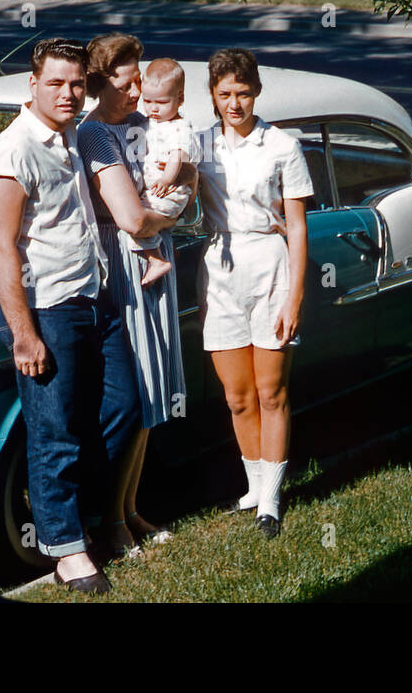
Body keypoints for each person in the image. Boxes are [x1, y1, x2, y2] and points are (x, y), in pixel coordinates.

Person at [0, 37, 140, 594]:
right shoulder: (13, 151)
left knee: (124, 407)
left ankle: (89, 518)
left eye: (77, 84)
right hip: (44, 310)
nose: (69, 93)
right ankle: (66, 551)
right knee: (55, 434)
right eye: (56, 83)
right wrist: (23, 333)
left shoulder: (75, 137)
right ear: (33, 85)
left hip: (94, 299)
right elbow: (3, 248)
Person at [77, 33, 191, 557]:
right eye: (126, 83)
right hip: (126, 263)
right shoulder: (96, 134)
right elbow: (128, 217)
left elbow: (187, 167)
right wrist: (171, 214)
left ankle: (129, 508)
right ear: (102, 84)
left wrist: (183, 183)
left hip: (154, 257)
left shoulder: (145, 124)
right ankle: (109, 519)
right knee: (136, 390)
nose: (137, 91)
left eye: (139, 78)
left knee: (152, 390)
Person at [197, 48, 312, 538]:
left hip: (270, 267)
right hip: (220, 271)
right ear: (213, 96)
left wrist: (296, 297)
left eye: (243, 92)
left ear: (257, 91)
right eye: (225, 94)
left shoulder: (282, 146)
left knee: (271, 391)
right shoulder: (199, 145)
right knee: (239, 397)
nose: (235, 103)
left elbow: (298, 227)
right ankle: (252, 487)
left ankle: (272, 498)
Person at [127, 57, 198, 288]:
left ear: (181, 99)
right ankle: (166, 249)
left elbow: (178, 155)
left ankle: (156, 259)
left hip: (170, 192)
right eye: (147, 101)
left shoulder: (179, 127)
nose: (153, 108)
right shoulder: (148, 122)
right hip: (155, 191)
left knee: (138, 219)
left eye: (161, 102)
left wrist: (167, 179)